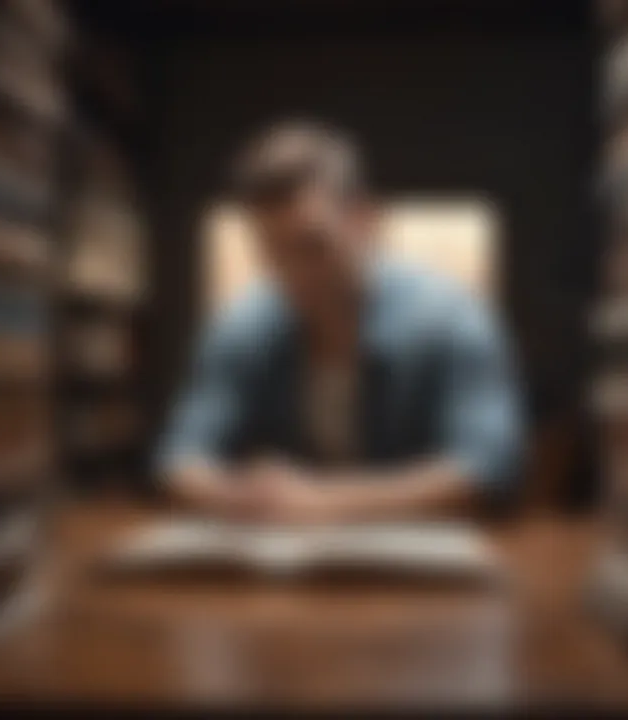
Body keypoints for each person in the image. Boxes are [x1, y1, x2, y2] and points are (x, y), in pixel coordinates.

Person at [156, 121, 522, 524]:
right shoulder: (241, 325)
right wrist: (237, 495)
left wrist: (323, 501)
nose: (293, 275)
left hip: (418, 575)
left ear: (366, 220)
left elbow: (488, 469)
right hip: (284, 575)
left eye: (313, 246)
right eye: (272, 253)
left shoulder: (453, 319)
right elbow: (179, 459)